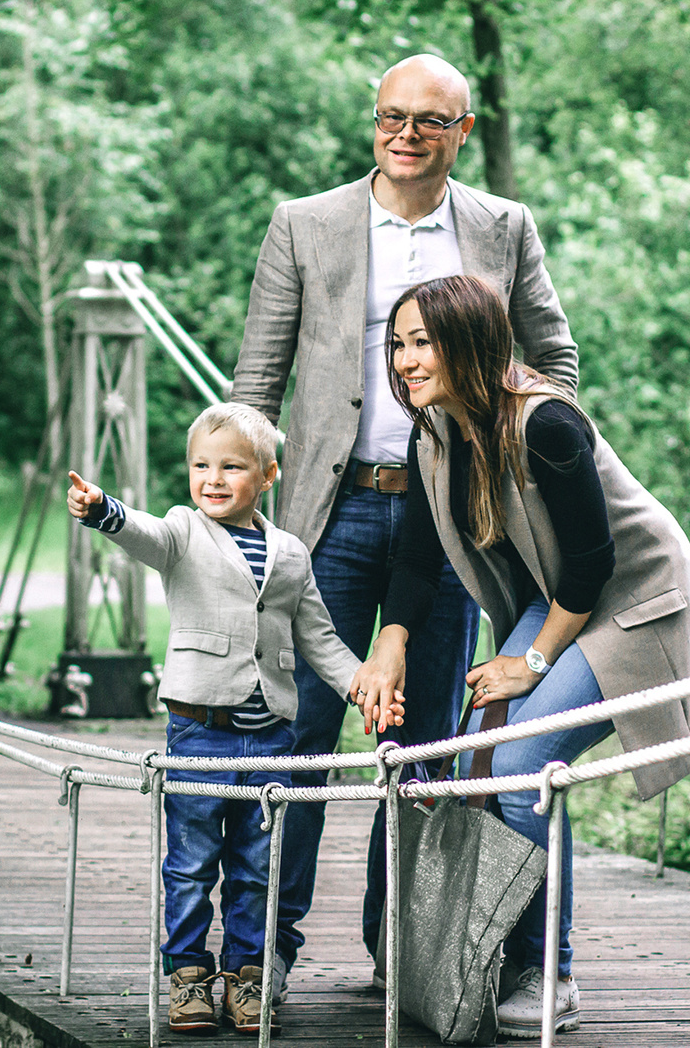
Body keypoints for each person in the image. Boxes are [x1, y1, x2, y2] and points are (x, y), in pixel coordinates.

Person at [227, 52, 580, 966]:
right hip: (327, 517)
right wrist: (235, 526)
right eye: (391, 116)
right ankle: (264, 953)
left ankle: (404, 956)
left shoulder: (505, 228)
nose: (405, 135)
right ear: (373, 121)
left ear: (463, 132)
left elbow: (557, 364)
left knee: (423, 745)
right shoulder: (304, 224)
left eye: (429, 121)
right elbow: (255, 389)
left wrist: (511, 464)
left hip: (456, 525)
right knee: (298, 733)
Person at [350, 274, 690, 1036]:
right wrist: (389, 644)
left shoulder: (546, 423)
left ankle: (548, 973)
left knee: (522, 766)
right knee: (476, 761)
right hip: (559, 600)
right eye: (398, 343)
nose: (405, 360)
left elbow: (592, 561)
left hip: (630, 600)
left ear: (471, 344)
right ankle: (484, 956)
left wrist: (534, 665)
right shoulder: (437, 431)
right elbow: (418, 559)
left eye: (422, 342)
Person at [67, 402, 403, 1036]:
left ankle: (248, 975)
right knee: (191, 863)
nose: (213, 479)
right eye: (201, 466)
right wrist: (105, 511)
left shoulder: (292, 553)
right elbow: (143, 534)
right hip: (199, 730)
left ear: (268, 476)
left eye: (231, 467)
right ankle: (188, 975)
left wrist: (361, 683)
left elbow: (320, 639)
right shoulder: (182, 533)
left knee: (256, 865)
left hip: (272, 734)